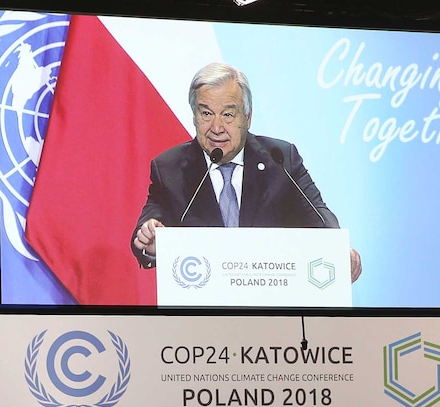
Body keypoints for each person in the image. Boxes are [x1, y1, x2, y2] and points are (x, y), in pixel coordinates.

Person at [130, 62, 362, 282]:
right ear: (194, 117)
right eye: (206, 114)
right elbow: (144, 234)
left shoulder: (280, 159)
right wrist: (151, 241)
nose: (217, 127)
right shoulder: (169, 168)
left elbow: (318, 214)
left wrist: (337, 247)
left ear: (247, 118)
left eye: (228, 114)